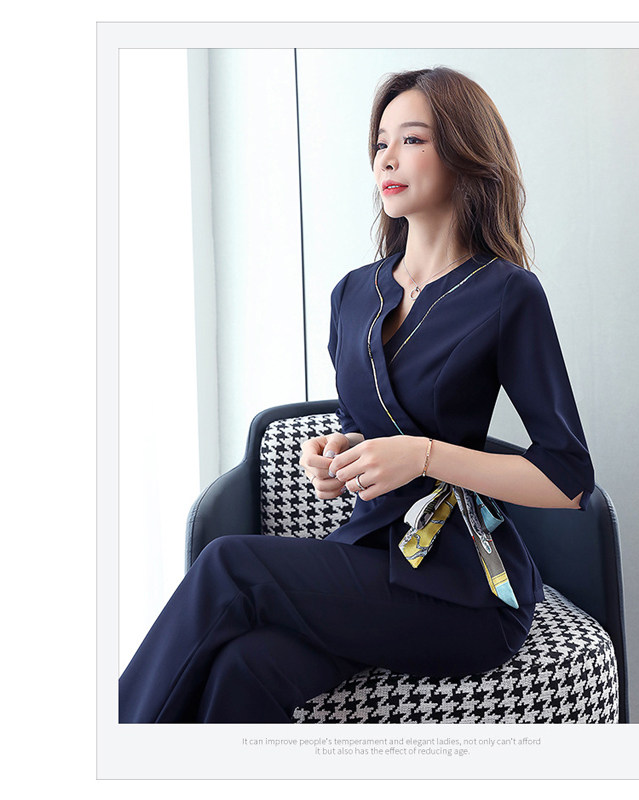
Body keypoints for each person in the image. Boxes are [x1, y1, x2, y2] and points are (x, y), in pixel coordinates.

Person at [119, 66, 593, 723]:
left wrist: (424, 455)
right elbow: (362, 424)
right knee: (242, 668)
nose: (387, 158)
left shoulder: (507, 293)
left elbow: (568, 479)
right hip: (366, 558)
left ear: (463, 152)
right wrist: (336, 454)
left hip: (464, 589)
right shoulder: (352, 293)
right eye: (379, 143)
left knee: (229, 564)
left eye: (412, 140)